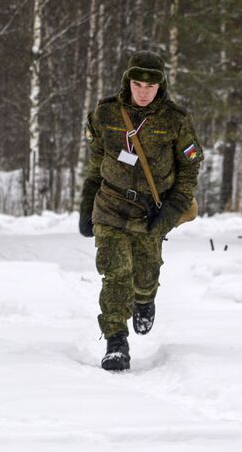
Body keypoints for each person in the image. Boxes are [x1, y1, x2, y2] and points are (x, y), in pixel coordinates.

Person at [78, 50, 203, 370]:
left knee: (145, 275)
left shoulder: (175, 119)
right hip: (110, 204)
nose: (143, 92)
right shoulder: (106, 113)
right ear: (127, 82)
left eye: (150, 86)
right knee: (115, 273)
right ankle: (116, 341)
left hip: (152, 210)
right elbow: (96, 162)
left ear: (160, 86)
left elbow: (189, 168)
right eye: (137, 84)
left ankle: (145, 300)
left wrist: (174, 208)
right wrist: (86, 203)